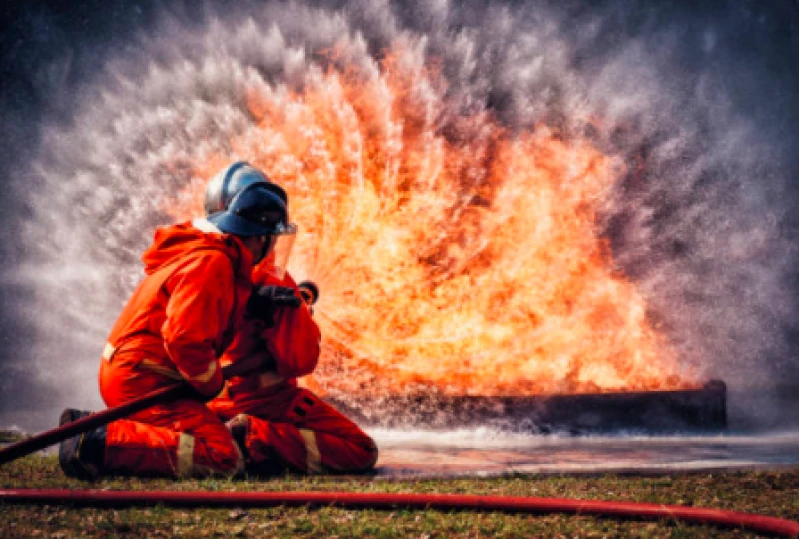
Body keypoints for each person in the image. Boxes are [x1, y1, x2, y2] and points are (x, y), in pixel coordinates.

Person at [58, 162, 296, 479]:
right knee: (223, 457)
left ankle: (106, 432)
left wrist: (253, 300)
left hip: (136, 372)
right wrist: (211, 384)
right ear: (256, 236)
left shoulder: (203, 252)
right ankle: (95, 441)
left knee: (209, 434)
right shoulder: (213, 263)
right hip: (144, 380)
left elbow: (199, 308)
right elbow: (185, 339)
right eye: (271, 238)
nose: (273, 247)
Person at [206, 170, 379, 476]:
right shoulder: (273, 282)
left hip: (212, 401)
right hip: (269, 402)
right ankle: (251, 436)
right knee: (360, 450)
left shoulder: (203, 270)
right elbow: (298, 362)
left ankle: (227, 434)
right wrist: (301, 319)